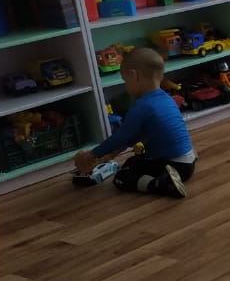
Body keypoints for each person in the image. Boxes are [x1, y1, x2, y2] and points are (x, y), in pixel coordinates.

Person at [72, 47, 195, 198]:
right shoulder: (166, 98)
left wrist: (92, 154)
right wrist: (112, 153)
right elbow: (135, 136)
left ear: (134, 75)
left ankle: (160, 184)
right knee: (132, 162)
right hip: (188, 163)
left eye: (125, 81)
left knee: (122, 177)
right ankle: (166, 179)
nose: (125, 86)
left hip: (172, 166)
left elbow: (120, 137)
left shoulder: (142, 105)